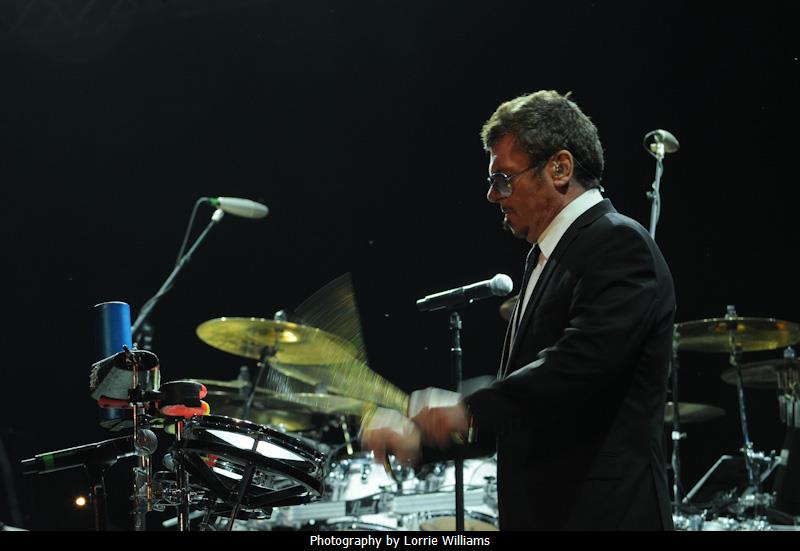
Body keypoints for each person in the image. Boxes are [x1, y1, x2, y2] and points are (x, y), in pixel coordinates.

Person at [361, 90, 676, 530]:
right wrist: (417, 438)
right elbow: (524, 412)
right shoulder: (544, 260)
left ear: (560, 168)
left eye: (504, 178)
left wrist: (467, 408)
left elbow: (578, 368)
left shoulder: (619, 243)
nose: (493, 195)